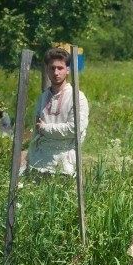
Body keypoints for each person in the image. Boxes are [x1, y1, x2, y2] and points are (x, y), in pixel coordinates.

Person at [27, 48, 88, 176]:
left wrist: (46, 128)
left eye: (60, 68)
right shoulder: (43, 98)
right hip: (39, 161)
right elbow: (36, 131)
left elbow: (76, 129)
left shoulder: (77, 97)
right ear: (47, 70)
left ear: (68, 70)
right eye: (52, 68)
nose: (56, 72)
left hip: (65, 163)